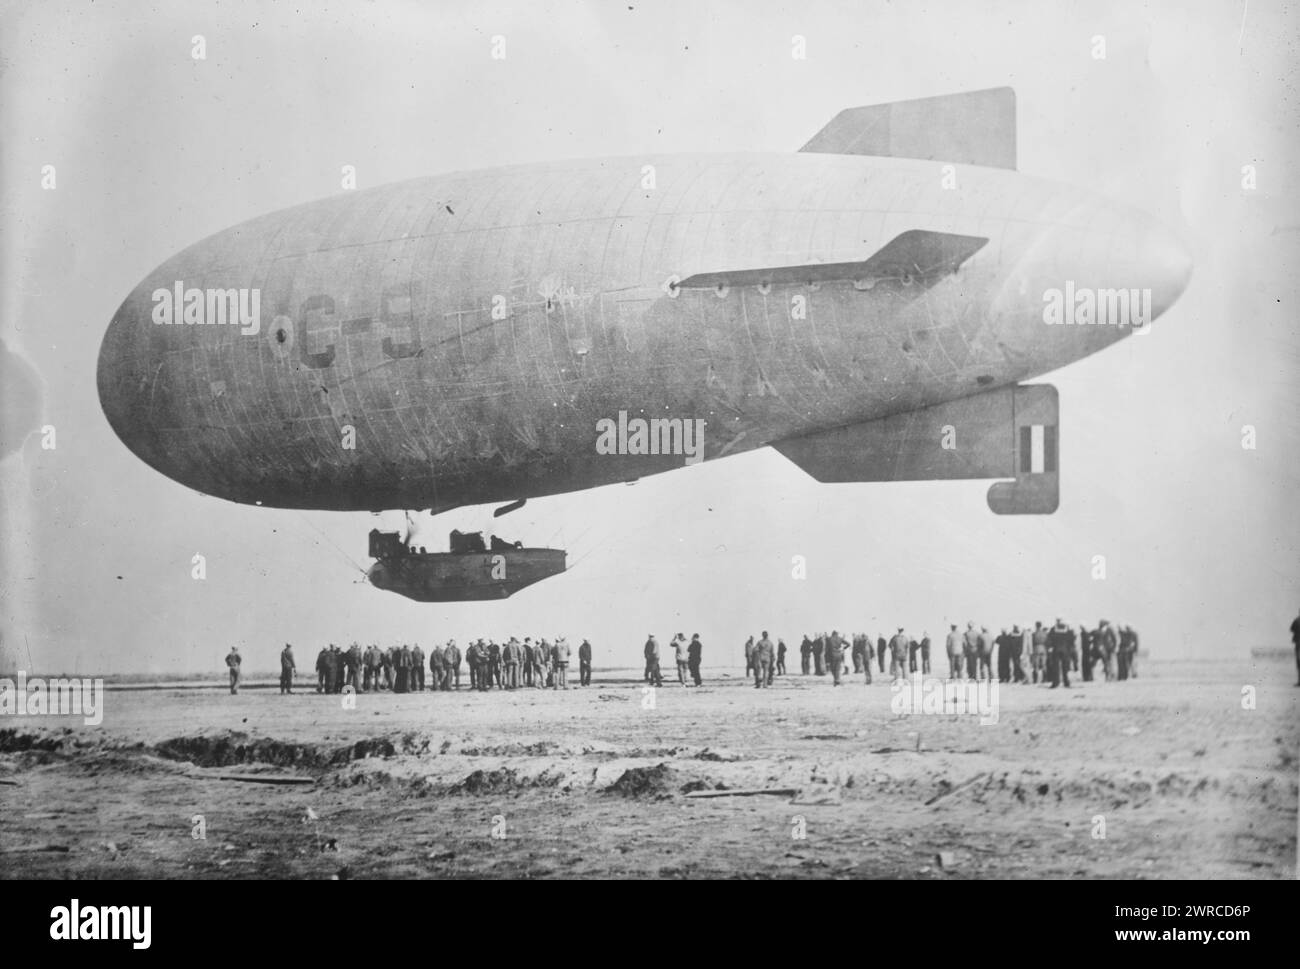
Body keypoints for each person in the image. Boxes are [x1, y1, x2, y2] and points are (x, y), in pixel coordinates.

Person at [1047, 619, 1074, 688]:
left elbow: (1049, 639)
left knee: (1056, 667)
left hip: (1056, 649)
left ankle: (1056, 683)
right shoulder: (1068, 629)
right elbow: (1071, 640)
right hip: (1065, 650)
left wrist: (1050, 647)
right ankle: (1066, 682)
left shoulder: (1053, 629)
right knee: (1065, 667)